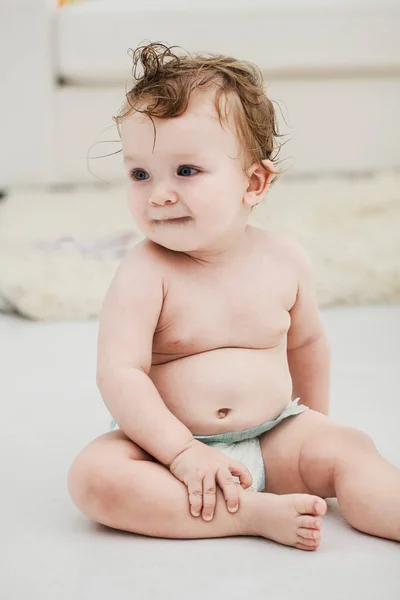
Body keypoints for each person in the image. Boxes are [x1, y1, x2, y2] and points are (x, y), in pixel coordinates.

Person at [68, 42, 400, 550]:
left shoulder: (284, 260)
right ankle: (248, 515)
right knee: (95, 477)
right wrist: (181, 453)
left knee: (351, 449)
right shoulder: (143, 271)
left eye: (185, 171)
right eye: (140, 174)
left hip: (274, 435)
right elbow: (120, 373)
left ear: (254, 181)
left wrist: (315, 427)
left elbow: (308, 346)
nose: (158, 194)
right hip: (168, 453)